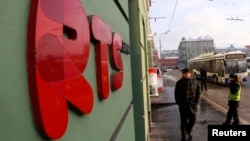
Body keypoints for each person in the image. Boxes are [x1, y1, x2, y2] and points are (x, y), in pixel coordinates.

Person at [174, 68, 201, 141]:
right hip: (184, 105)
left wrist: (196, 102)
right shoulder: (179, 83)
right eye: (185, 73)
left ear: (190, 74)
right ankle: (184, 134)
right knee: (183, 121)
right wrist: (180, 104)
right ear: (183, 74)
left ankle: (188, 130)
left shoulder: (195, 81)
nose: (187, 75)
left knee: (193, 120)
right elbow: (176, 94)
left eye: (188, 73)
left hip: (193, 105)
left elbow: (198, 92)